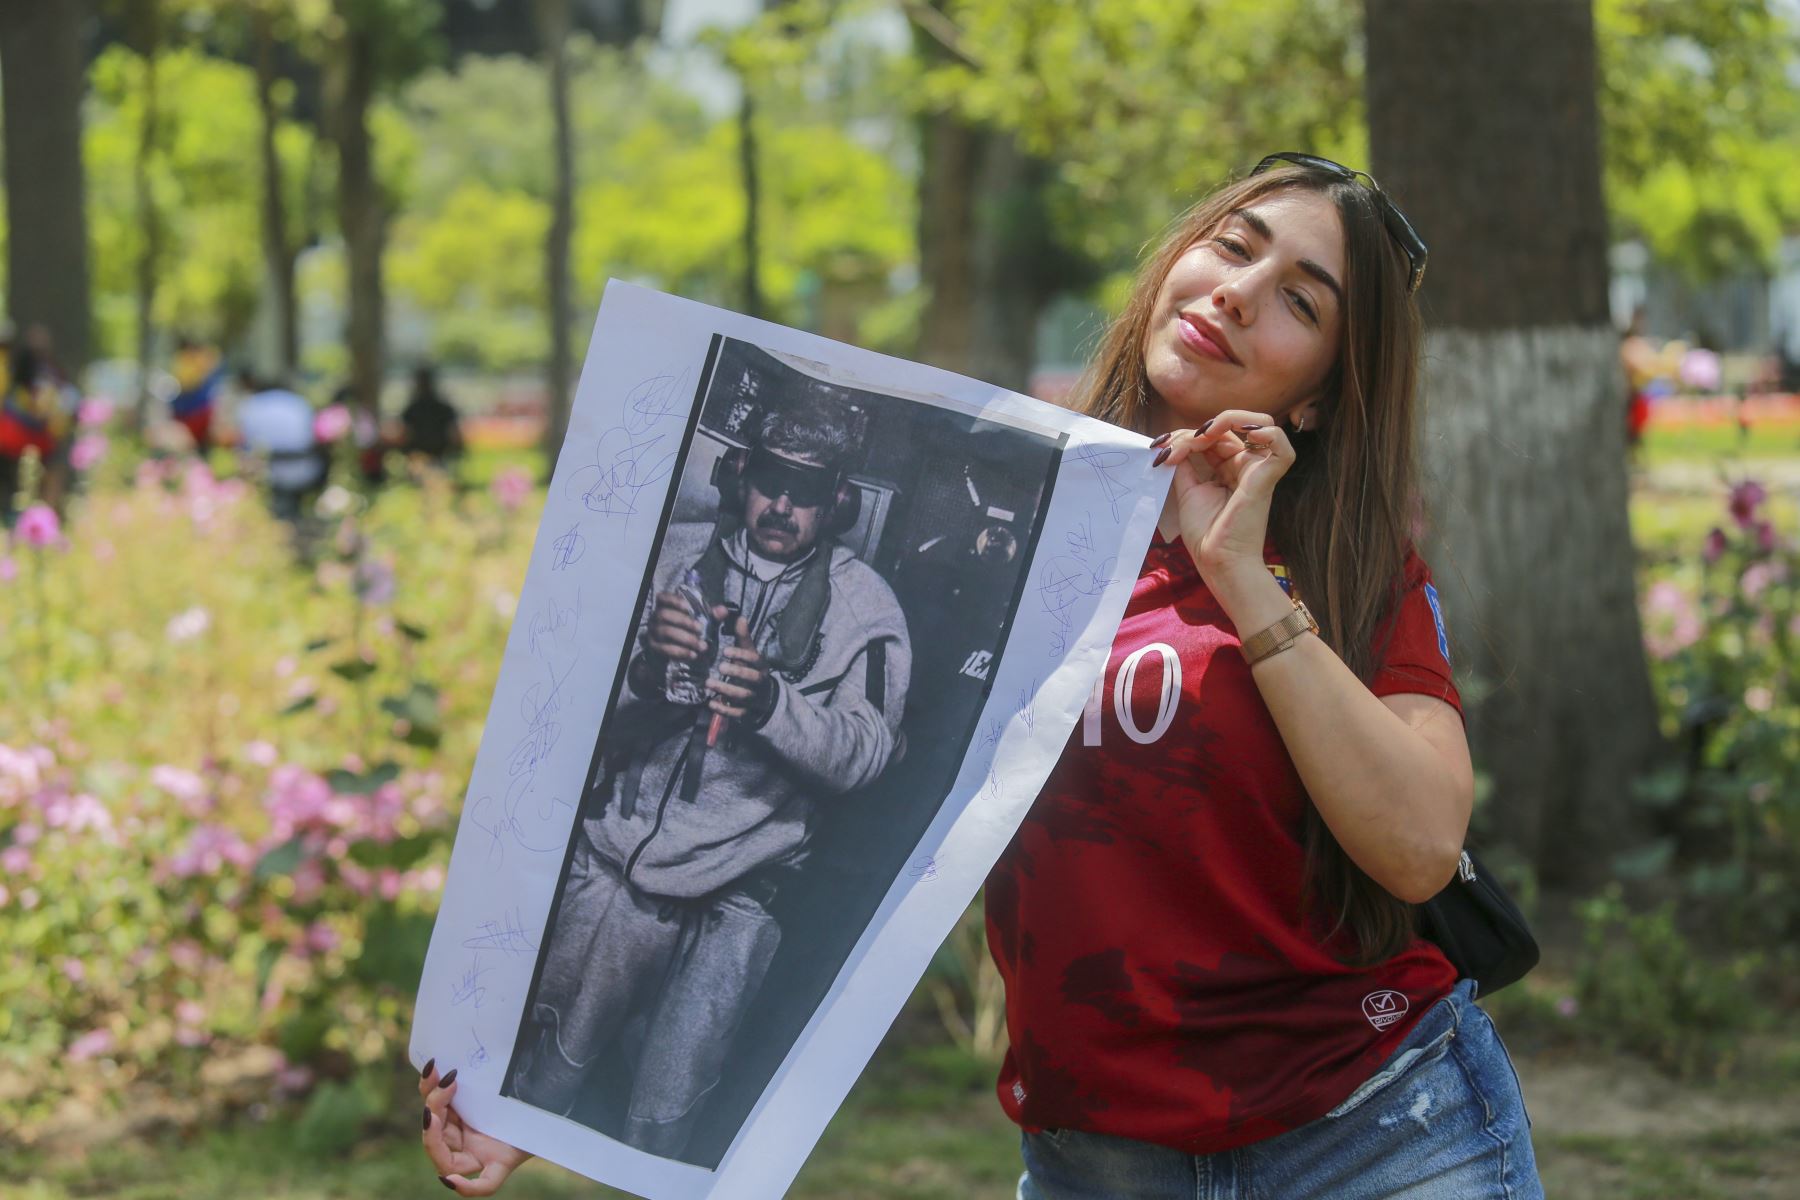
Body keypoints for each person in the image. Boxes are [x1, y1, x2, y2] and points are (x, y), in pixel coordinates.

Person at [421, 153, 1541, 1198]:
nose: (1242, 292)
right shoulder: (996, 543)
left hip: (1380, 1134)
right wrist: (543, 1102)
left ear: (1317, 397)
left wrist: (1241, 577)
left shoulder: (1344, 570)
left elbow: (1416, 849)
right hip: (1096, 1159)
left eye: (1303, 300)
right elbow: (840, 859)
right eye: (1235, 245)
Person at [499, 396, 911, 1161]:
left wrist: (771, 704)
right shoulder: (664, 558)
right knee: (539, 1078)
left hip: (738, 903)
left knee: (668, 1122)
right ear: (739, 476)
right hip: (615, 874)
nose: (784, 506)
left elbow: (869, 755)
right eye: (771, 482)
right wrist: (649, 670)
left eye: (810, 491)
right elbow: (563, 709)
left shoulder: (868, 610)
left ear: (840, 504)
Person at [233, 369, 326, 522]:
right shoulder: (299, 403)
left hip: (268, 472)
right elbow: (312, 438)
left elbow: (244, 443)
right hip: (305, 469)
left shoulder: (251, 405)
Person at [0, 341, 74, 527]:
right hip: (29, 442)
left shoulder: (11, 372)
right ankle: (48, 518)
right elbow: (54, 422)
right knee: (56, 464)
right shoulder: (43, 381)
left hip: (8, 439)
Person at [398, 364, 465, 469]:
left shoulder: (412, 409)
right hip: (436, 458)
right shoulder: (444, 408)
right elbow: (455, 436)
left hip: (421, 459)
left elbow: (404, 436)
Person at [170, 335, 225, 454]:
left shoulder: (189, 359)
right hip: (192, 405)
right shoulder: (187, 360)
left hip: (195, 406)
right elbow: (187, 382)